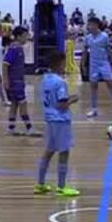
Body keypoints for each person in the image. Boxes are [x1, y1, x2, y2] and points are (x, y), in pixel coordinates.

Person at [37, 52, 80, 198]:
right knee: (64, 152)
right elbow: (62, 104)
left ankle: (40, 184)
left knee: (49, 151)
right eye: (63, 63)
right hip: (60, 120)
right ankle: (61, 186)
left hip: (49, 118)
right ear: (59, 64)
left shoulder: (45, 79)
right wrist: (73, 99)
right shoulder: (60, 82)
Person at [84, 16, 112, 119]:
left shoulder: (104, 36)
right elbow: (85, 52)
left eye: (90, 24)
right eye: (88, 24)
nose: (89, 26)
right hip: (93, 65)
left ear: (96, 25)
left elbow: (109, 52)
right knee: (93, 87)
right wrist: (83, 65)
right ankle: (94, 109)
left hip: (104, 64)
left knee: (110, 85)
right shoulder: (88, 38)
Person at [4, 27, 39, 136]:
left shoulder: (18, 48)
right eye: (25, 35)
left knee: (14, 104)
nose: (27, 38)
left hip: (18, 80)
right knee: (23, 104)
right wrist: (6, 80)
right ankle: (29, 128)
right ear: (18, 36)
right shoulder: (14, 49)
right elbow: (5, 64)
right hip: (15, 82)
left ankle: (11, 128)